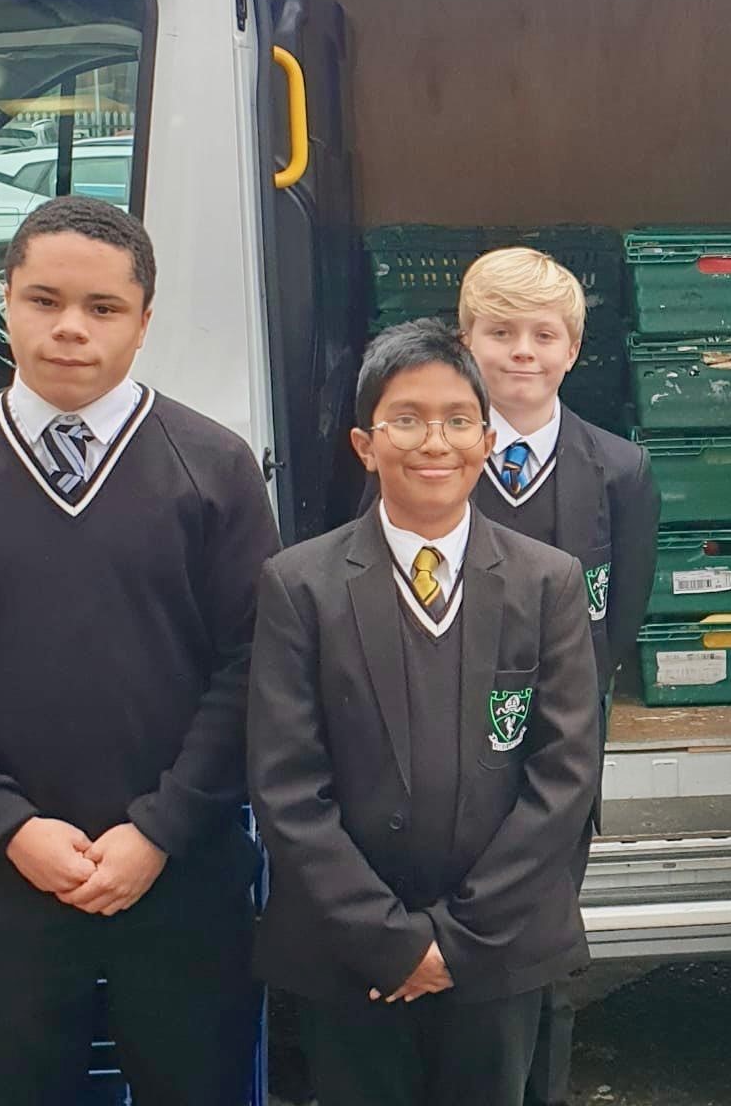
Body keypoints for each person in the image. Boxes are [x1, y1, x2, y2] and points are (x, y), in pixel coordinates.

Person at [0, 195, 279, 1106]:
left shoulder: (210, 466)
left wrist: (161, 829)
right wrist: (6, 823)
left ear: (144, 323)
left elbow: (252, 664)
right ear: (7, 302)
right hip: (9, 873)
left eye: (103, 309)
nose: (70, 329)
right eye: (43, 300)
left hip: (184, 872)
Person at [249, 318, 600, 1106]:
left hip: (501, 949)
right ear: (364, 444)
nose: (432, 442)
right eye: (404, 419)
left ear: (484, 440)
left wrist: (458, 943)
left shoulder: (546, 582)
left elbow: (564, 775)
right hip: (348, 954)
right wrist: (389, 941)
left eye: (455, 420)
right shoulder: (299, 586)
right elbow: (286, 786)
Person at [456, 245, 660, 1106]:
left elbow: (623, 612)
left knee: (542, 923)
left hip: (559, 745)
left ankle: (541, 1082)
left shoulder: (618, 467)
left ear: (574, 349)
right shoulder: (430, 454)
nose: (522, 352)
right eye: (499, 332)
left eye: (544, 334)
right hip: (445, 731)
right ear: (465, 343)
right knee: (453, 909)